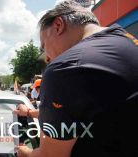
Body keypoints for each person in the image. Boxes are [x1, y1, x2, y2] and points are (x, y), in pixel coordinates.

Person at [16, 1, 138, 157]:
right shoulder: (128, 44)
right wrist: (30, 113)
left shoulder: (67, 67)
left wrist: (25, 152)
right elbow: (87, 112)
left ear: (58, 25)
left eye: (43, 45)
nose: (46, 58)